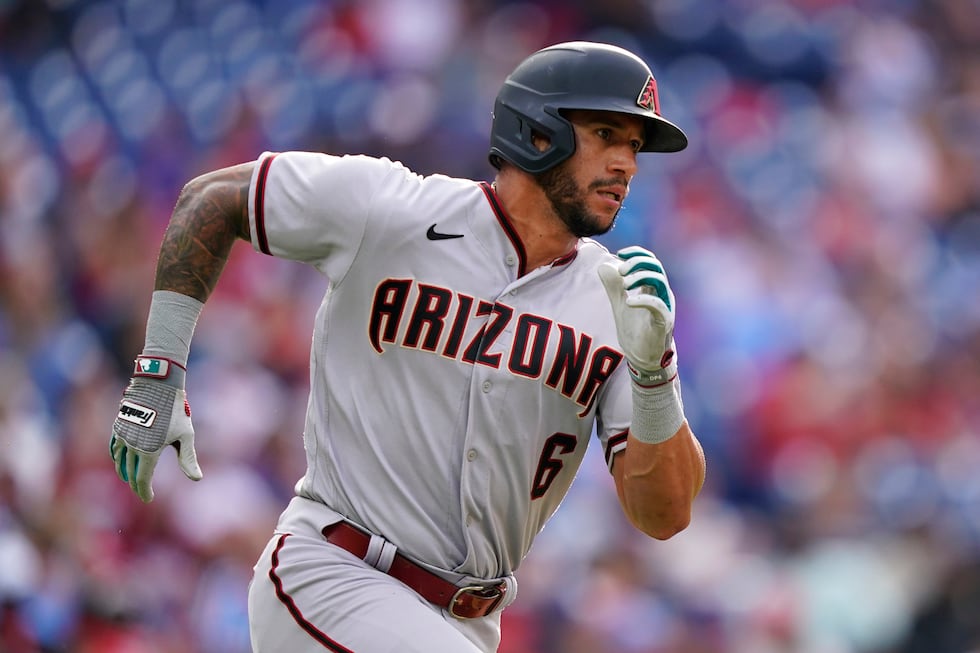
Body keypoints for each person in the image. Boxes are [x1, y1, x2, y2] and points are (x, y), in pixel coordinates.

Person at [109, 41, 706, 652]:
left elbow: (664, 515)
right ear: (539, 130)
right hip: (335, 574)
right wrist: (158, 372)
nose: (627, 163)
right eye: (608, 133)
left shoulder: (617, 303)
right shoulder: (392, 207)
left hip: (468, 621)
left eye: (635, 146)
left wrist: (656, 373)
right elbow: (213, 200)